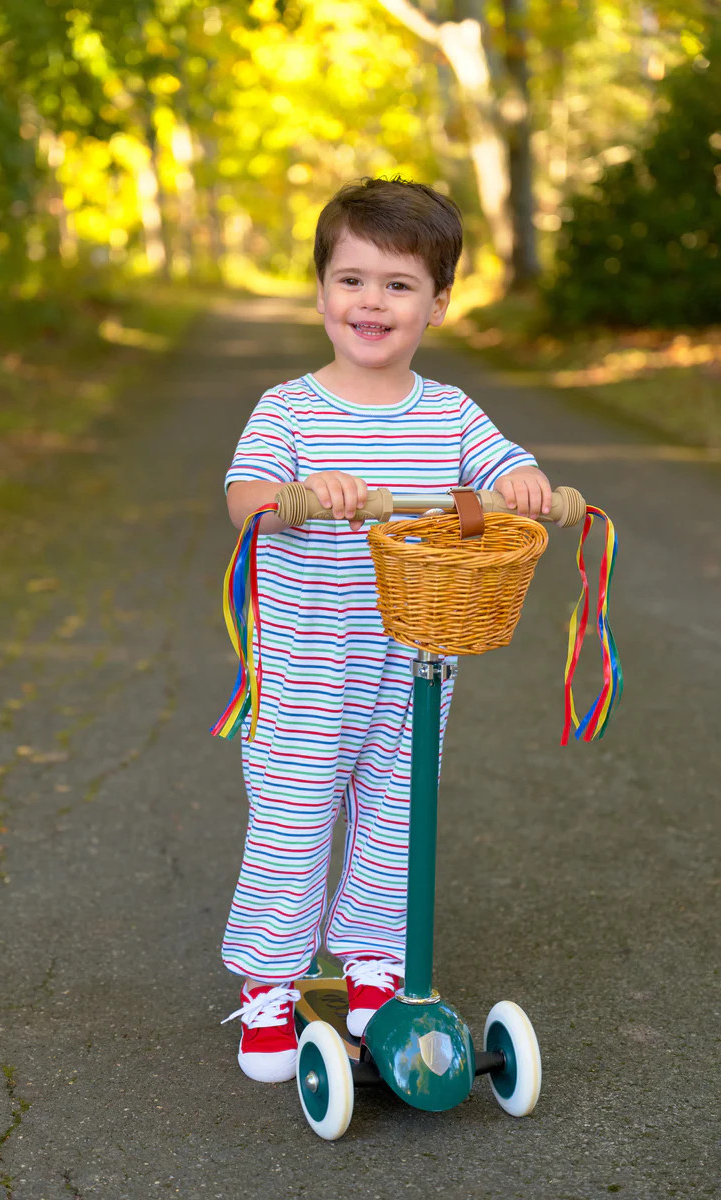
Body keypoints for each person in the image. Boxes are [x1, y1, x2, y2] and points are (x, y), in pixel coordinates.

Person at [220, 176, 551, 1083]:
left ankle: (372, 962)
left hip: (415, 661)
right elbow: (243, 498)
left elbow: (504, 464)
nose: (372, 301)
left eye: (399, 285)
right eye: (352, 279)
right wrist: (297, 497)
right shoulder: (289, 410)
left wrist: (520, 482)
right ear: (321, 292)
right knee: (293, 822)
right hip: (305, 664)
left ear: (437, 304)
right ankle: (272, 982)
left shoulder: (448, 413)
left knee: (399, 820)